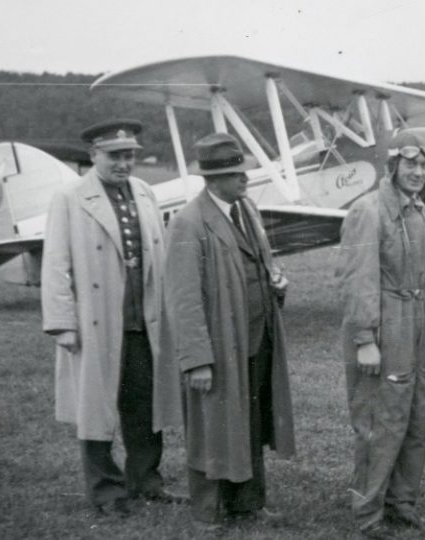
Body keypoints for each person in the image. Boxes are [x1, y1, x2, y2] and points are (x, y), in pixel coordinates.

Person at [41, 119, 183, 515]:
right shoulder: (69, 197)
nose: (124, 164)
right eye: (115, 156)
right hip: (96, 324)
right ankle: (106, 490)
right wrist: (62, 323)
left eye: (130, 156)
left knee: (145, 406)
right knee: (97, 408)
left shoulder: (144, 192)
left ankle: (146, 480)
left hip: (143, 321)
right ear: (93, 156)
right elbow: (55, 263)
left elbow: (160, 258)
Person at [165, 133, 295, 528]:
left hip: (257, 340)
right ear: (214, 178)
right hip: (219, 347)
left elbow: (256, 264)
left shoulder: (246, 209)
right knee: (211, 426)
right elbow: (183, 299)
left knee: (251, 421)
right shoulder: (189, 222)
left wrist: (275, 283)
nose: (246, 179)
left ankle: (248, 503)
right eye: (237, 173)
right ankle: (207, 511)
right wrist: (197, 360)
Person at [338, 131, 425, 539]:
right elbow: (356, 279)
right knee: (381, 419)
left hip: (418, 320)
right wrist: (365, 340)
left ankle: (403, 504)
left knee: (417, 414)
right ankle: (368, 512)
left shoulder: (419, 211)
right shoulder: (368, 209)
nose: (418, 172)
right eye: (411, 164)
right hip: (385, 320)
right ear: (393, 165)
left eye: (424, 166)